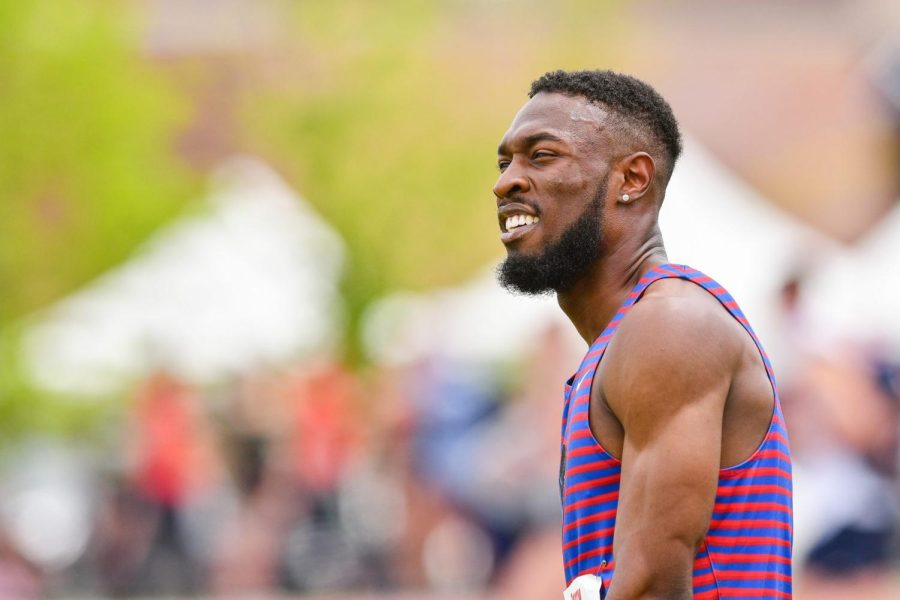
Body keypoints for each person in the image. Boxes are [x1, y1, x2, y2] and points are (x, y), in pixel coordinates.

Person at [492, 70, 793, 599]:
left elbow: (652, 585)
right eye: (505, 161)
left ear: (631, 180)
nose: (505, 182)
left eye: (541, 156)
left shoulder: (670, 327)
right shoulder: (624, 341)